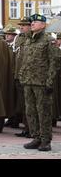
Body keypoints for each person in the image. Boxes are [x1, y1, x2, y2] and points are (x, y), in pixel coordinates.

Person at [19, 14, 57, 151]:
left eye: (36, 22)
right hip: (28, 81)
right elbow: (25, 60)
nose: (33, 24)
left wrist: (50, 81)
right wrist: (22, 76)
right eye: (32, 22)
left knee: (43, 112)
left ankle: (46, 140)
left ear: (43, 25)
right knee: (30, 111)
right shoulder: (28, 40)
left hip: (42, 82)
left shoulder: (49, 41)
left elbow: (54, 62)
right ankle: (36, 137)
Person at [14, 17, 32, 137]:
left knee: (30, 105)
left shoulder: (32, 39)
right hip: (19, 75)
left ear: (30, 26)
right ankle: (26, 128)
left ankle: (32, 129)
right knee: (23, 104)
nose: (21, 27)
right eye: (20, 25)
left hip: (29, 77)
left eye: (24, 25)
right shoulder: (19, 38)